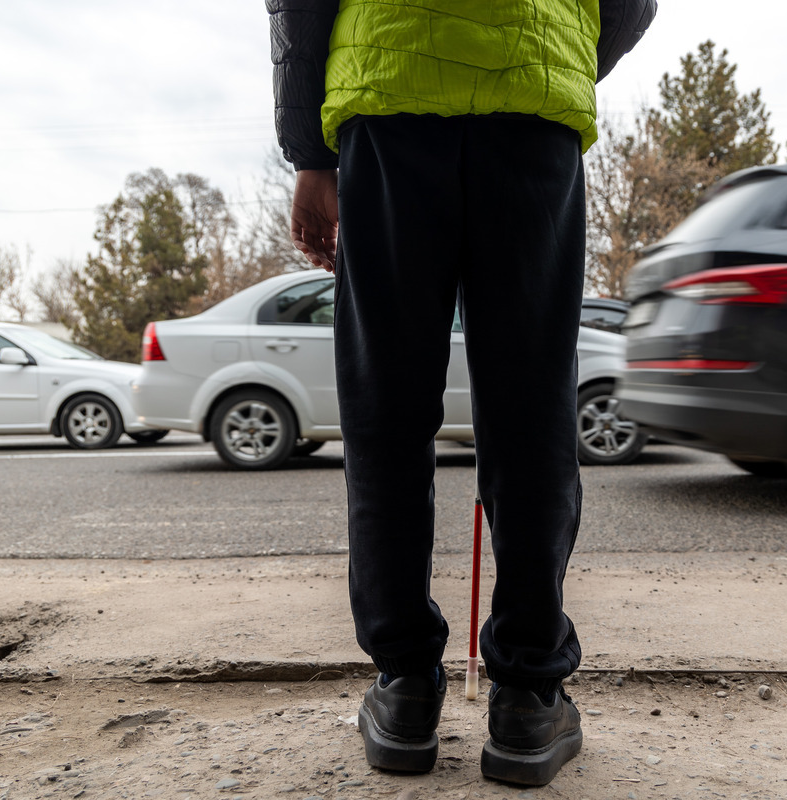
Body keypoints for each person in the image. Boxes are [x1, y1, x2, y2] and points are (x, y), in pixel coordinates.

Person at [268, 0, 655, 785]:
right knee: (531, 411)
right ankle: (527, 699)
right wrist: (546, 55)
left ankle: (406, 686)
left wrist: (309, 153)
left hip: (391, 92)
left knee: (387, 411)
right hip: (532, 109)